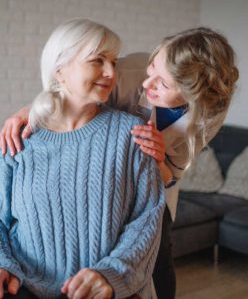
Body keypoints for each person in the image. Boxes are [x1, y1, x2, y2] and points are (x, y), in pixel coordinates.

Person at [0, 27, 239, 299]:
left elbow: (169, 179)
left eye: (162, 83)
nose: (147, 83)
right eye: (152, 69)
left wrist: (156, 162)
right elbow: (68, 99)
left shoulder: (206, 116)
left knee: (159, 273)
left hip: (148, 182)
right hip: (99, 168)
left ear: (191, 97)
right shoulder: (127, 71)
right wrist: (27, 113)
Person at [0, 18, 166, 299]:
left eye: (113, 61)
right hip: (23, 287)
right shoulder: (19, 138)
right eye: (98, 60)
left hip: (101, 290)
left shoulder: (132, 133)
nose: (111, 72)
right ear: (60, 70)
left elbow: (147, 219)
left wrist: (111, 275)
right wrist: (3, 264)